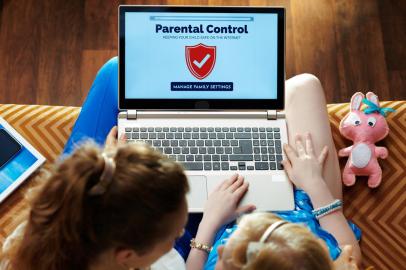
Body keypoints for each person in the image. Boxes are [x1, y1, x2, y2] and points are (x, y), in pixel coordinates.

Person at [1, 140, 189, 270]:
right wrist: (206, 232)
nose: (180, 234)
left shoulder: (30, 236)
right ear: (127, 256)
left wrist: (117, 174)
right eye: (175, 235)